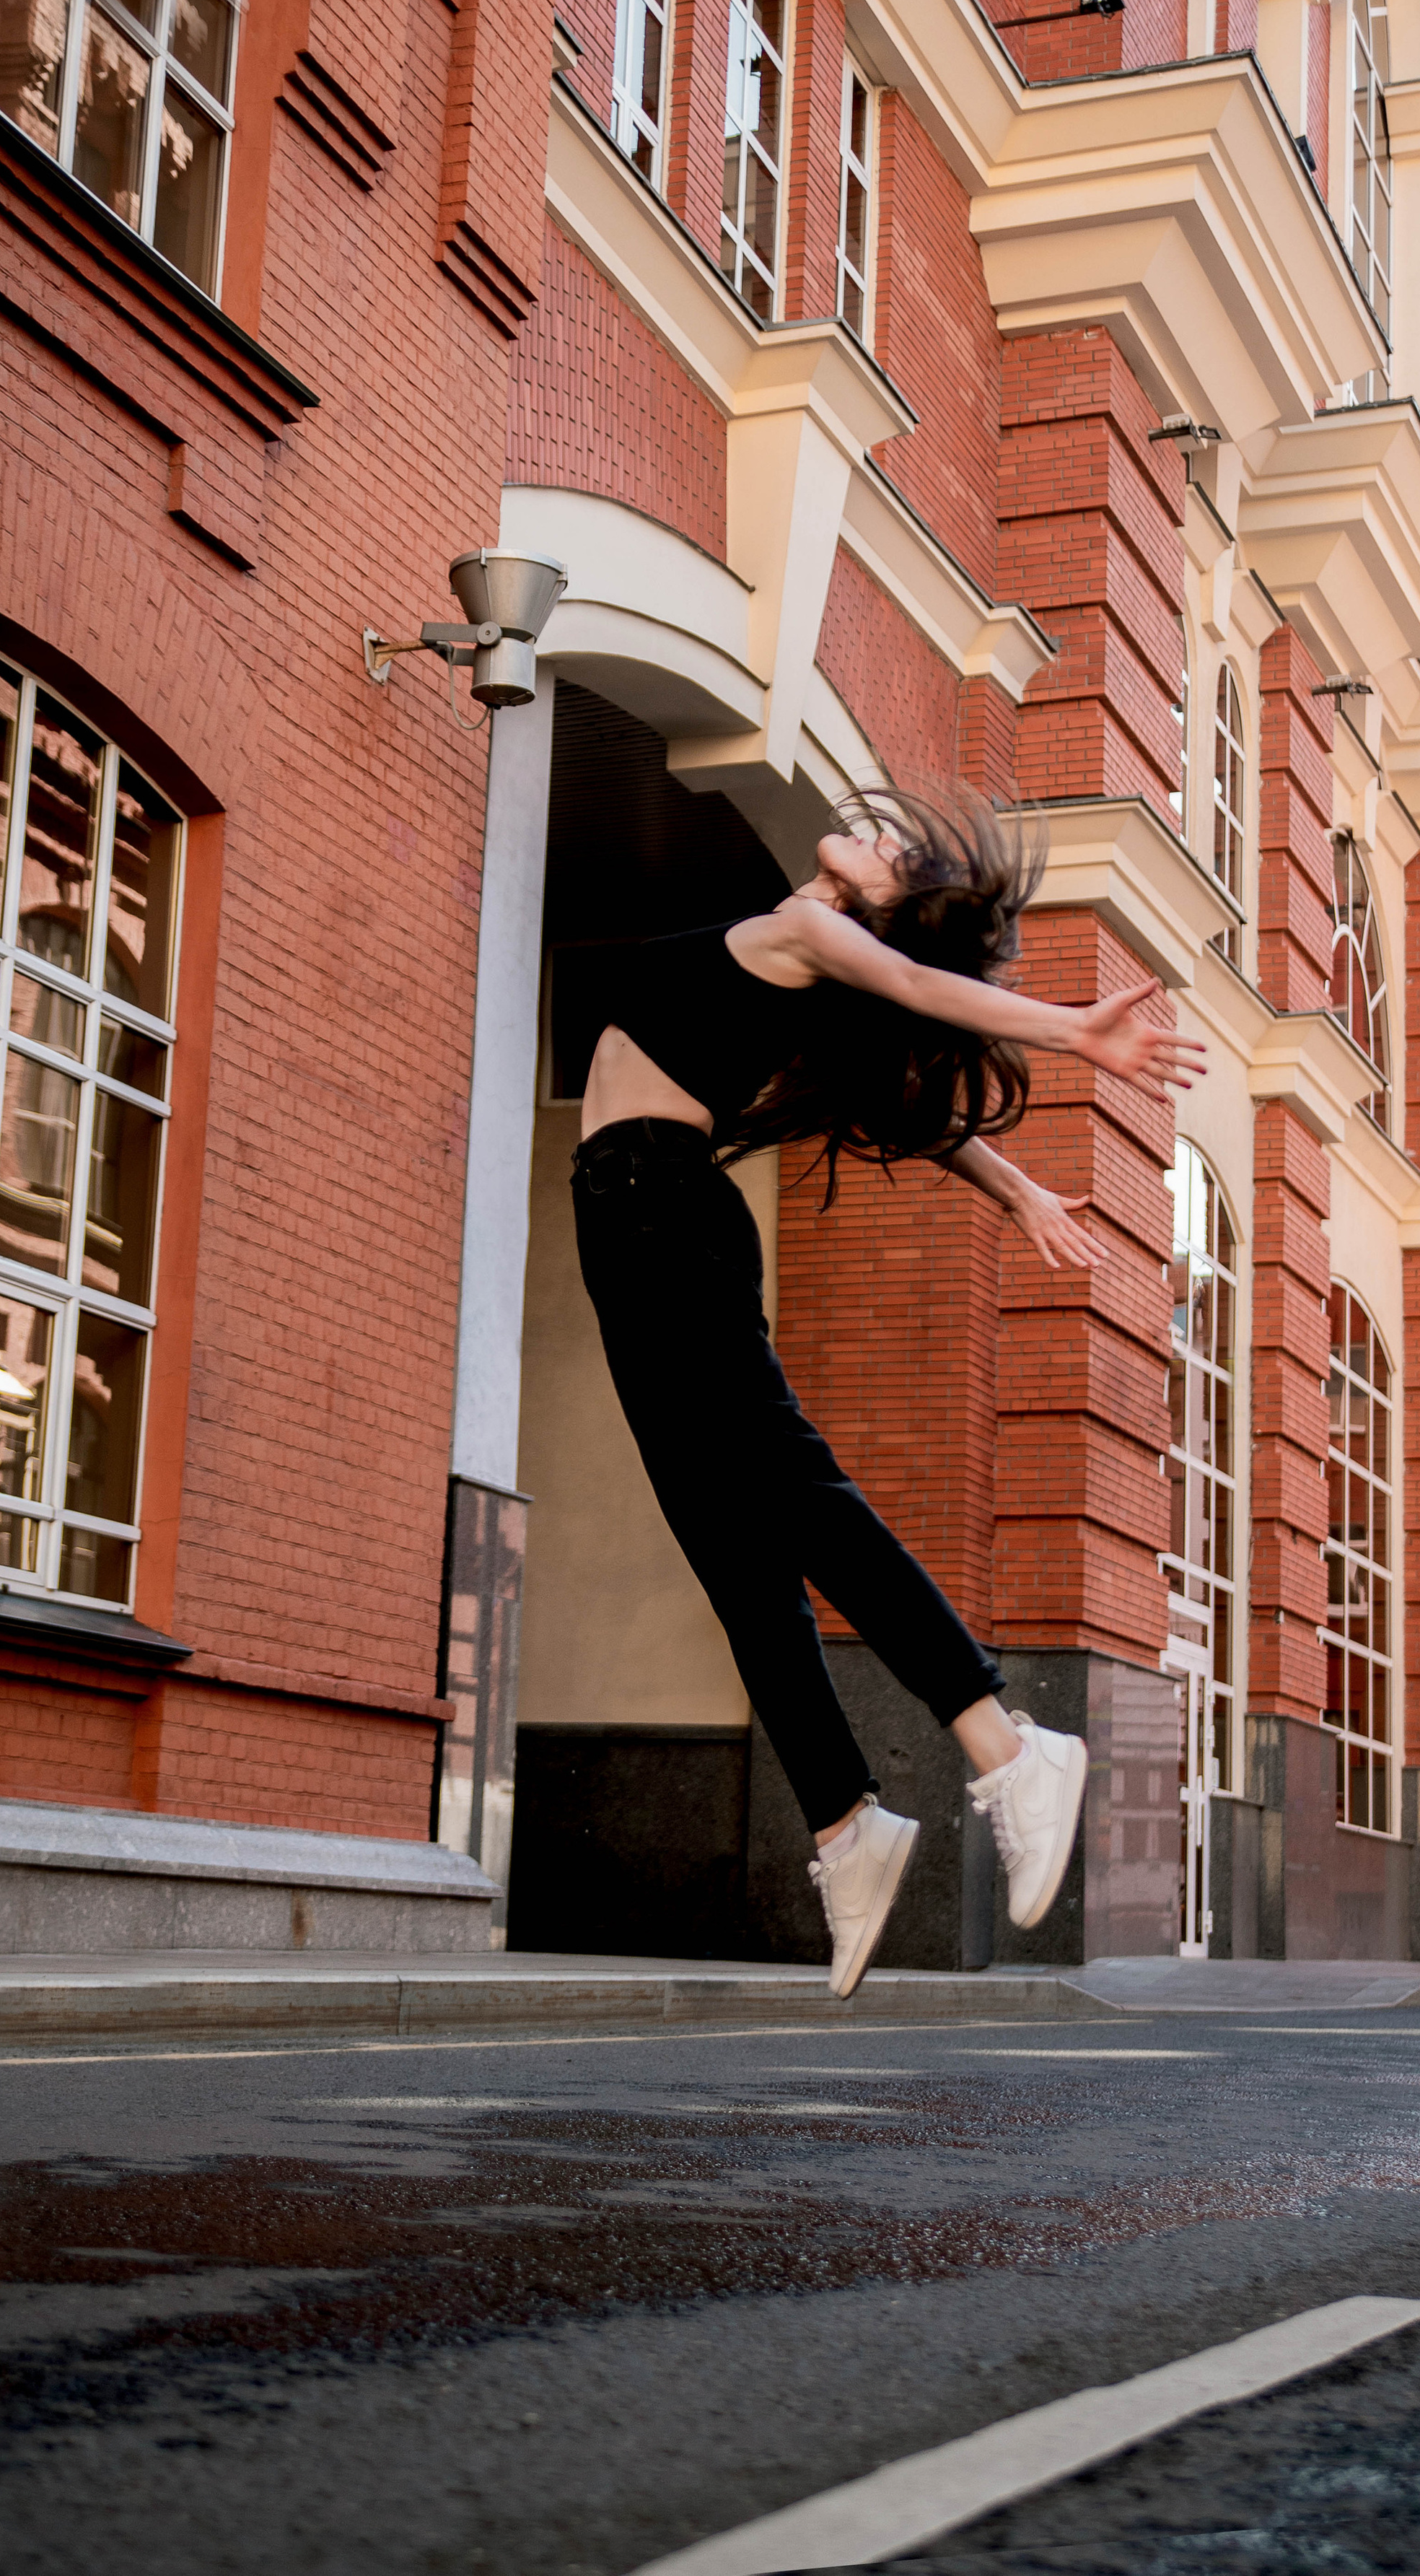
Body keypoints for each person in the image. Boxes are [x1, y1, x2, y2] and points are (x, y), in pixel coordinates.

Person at [569, 787, 1207, 1999]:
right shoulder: (797, 943)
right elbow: (903, 1104)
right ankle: (845, 1826)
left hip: (659, 1213)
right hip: (629, 1222)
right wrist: (1015, 1189)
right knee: (730, 1547)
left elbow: (920, 992)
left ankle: (1007, 1745)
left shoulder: (809, 938)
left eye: (891, 850)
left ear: (883, 905)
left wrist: (1074, 1032)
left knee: (793, 1495)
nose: (867, 831)